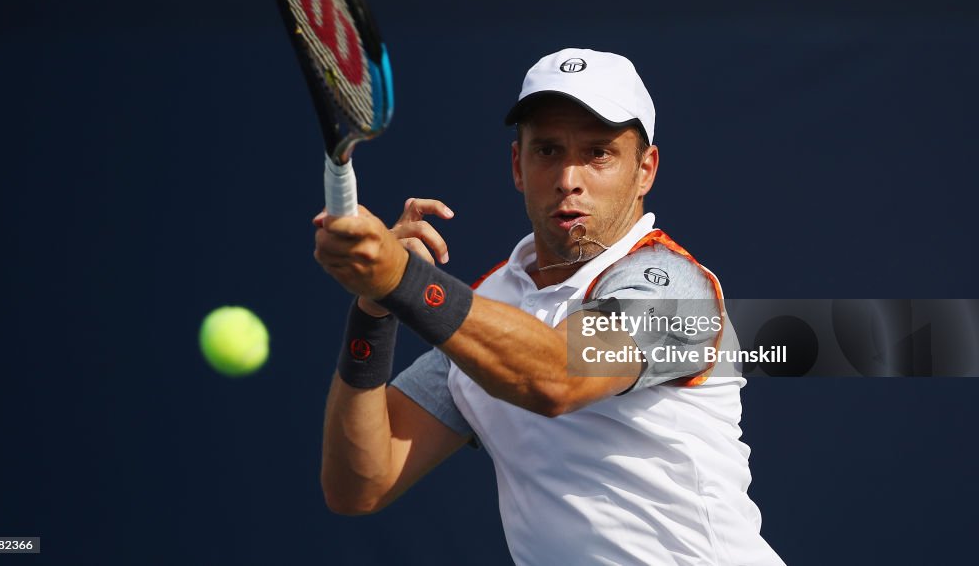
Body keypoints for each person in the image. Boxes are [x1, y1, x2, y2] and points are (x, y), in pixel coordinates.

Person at [313, 48, 785, 565]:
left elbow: (557, 378)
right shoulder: (488, 308)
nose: (568, 178)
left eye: (599, 153)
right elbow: (360, 483)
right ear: (518, 165)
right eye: (548, 151)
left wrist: (403, 279)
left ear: (645, 170)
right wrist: (376, 309)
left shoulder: (676, 288)